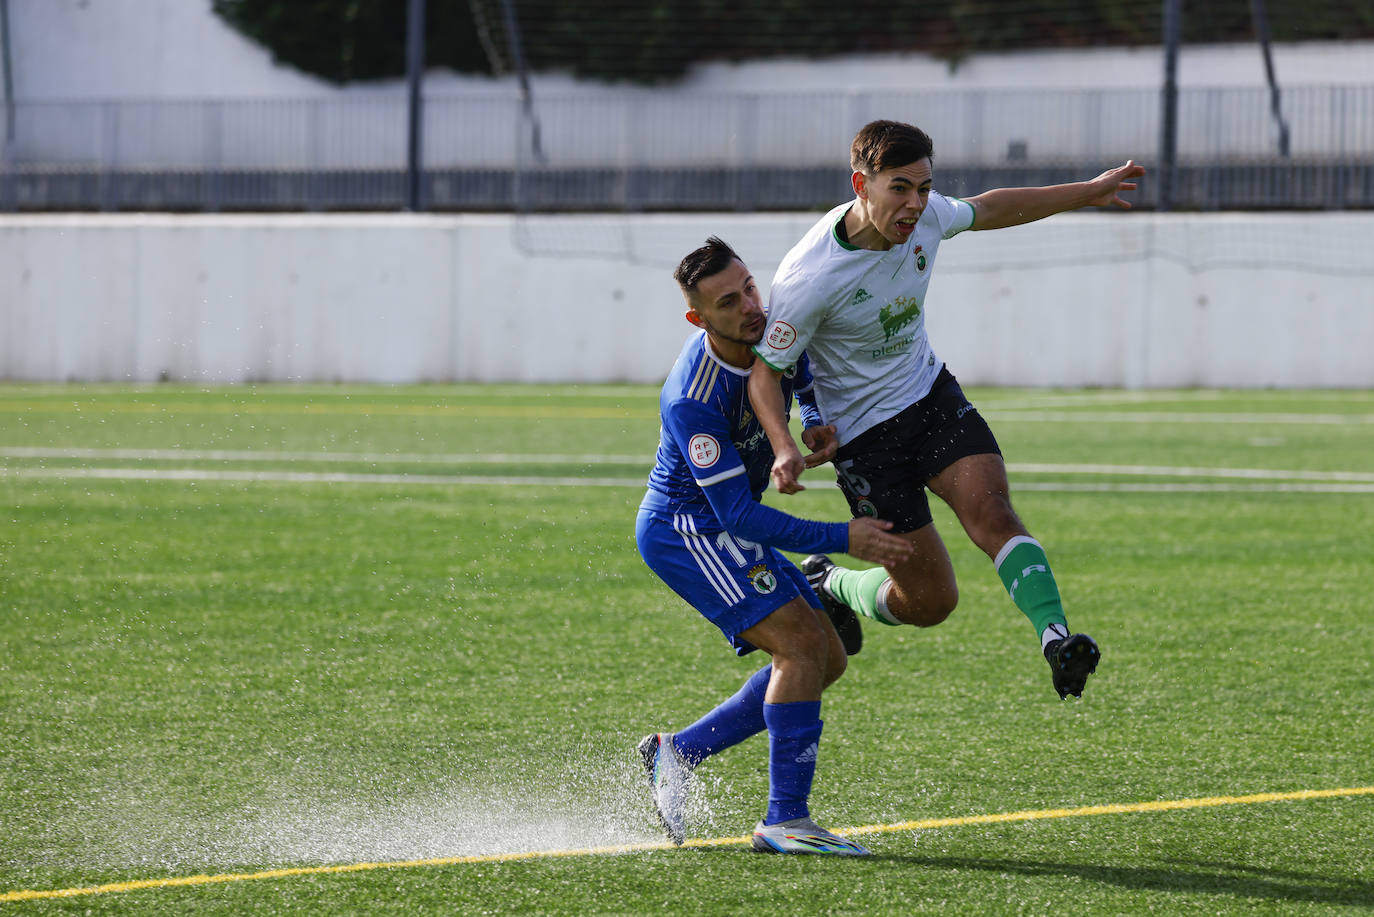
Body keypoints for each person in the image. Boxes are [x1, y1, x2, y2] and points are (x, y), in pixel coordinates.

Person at [747, 120, 1145, 700]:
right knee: (932, 604)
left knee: (995, 518)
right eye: (900, 188)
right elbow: (766, 374)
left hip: (931, 398)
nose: (915, 204)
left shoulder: (927, 218)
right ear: (862, 183)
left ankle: (1055, 639)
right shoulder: (810, 278)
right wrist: (790, 441)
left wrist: (1086, 191)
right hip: (866, 443)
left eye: (925, 188)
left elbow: (991, 209)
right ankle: (830, 580)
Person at [635, 236, 913, 856]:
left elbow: (800, 367)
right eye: (728, 302)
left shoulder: (772, 330)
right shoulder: (694, 398)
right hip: (689, 531)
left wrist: (811, 417)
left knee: (828, 657)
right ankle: (785, 820)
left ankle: (677, 752)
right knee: (799, 649)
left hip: (726, 526)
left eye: (749, 287)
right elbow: (738, 515)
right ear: (698, 318)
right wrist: (844, 537)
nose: (750, 307)